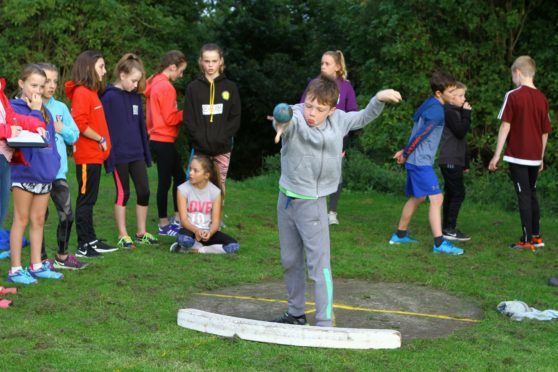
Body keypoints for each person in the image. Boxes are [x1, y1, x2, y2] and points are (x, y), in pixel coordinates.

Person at [271, 75, 401, 326]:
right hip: (286, 199)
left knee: (319, 266)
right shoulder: (296, 115)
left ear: (331, 109)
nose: (312, 113)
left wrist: (378, 99)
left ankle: (323, 321)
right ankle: (296, 314)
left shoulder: (339, 121)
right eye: (309, 105)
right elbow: (286, 118)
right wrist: (280, 123)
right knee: (290, 261)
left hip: (313, 203)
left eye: (320, 109)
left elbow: (363, 117)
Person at [390, 71, 464, 255]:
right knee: (437, 198)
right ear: (439, 93)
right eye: (451, 92)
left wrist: (405, 150)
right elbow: (421, 135)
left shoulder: (431, 104)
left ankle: (399, 235)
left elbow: (416, 130)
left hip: (418, 159)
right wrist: (406, 153)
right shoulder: (437, 112)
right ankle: (439, 244)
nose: (454, 95)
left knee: (418, 197)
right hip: (420, 162)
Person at [488, 56, 551, 251]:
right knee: (531, 193)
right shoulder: (542, 98)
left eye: (512, 75)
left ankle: (526, 240)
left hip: (517, 155)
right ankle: (537, 237)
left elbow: (505, 126)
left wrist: (496, 155)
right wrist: (541, 156)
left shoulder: (513, 95)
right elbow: (545, 131)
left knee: (524, 195)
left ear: (517, 72)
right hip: (534, 157)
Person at [8, 64, 62, 284]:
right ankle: (15, 269)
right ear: (21, 83)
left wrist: (54, 163)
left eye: (41, 86)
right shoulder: (12, 108)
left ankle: (37, 265)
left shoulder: (45, 111)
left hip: (44, 174)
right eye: (33, 85)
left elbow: (49, 141)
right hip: (24, 174)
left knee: (38, 219)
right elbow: (26, 132)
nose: (37, 91)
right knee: (20, 219)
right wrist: (34, 110)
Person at [101, 53, 157, 249]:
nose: (136, 84)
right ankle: (122, 234)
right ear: (123, 75)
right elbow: (104, 129)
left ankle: (141, 232)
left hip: (137, 154)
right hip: (119, 156)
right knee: (123, 193)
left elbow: (141, 127)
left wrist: (145, 153)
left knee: (144, 191)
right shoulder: (108, 97)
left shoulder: (135, 97)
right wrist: (109, 155)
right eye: (133, 80)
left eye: (138, 81)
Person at [65, 50, 118, 258]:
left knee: (91, 199)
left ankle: (92, 239)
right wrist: (101, 139)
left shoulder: (91, 92)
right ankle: (83, 245)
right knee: (85, 200)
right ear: (89, 68)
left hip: (95, 156)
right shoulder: (81, 92)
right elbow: (80, 124)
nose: (104, 72)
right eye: (101, 67)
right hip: (87, 156)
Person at [38, 63, 87, 269]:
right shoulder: (28, 106)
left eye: (54, 81)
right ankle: (39, 260)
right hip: (37, 173)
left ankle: (62, 257)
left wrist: (61, 129)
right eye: (47, 81)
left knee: (67, 215)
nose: (51, 85)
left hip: (58, 172)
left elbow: (74, 135)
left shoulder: (61, 108)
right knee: (39, 218)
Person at [300, 50, 358, 225]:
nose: (323, 67)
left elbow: (353, 114)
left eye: (327, 64)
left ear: (338, 67)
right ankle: (308, 206)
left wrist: (343, 140)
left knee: (334, 173)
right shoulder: (314, 83)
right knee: (311, 169)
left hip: (337, 138)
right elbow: (302, 106)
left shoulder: (346, 87)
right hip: (313, 135)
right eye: (322, 63)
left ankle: (331, 211)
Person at [183, 43, 241, 191]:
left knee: (219, 187)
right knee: (196, 185)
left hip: (223, 148)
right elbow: (188, 119)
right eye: (207, 61)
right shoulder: (192, 88)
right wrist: (198, 138)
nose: (210, 65)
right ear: (201, 61)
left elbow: (235, 118)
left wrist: (223, 137)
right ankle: (196, 214)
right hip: (200, 149)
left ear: (221, 61)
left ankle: (216, 215)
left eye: (214, 61)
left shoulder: (230, 87)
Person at [0, 77, 44, 259]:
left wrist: (36, 124)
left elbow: (12, 118)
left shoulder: (1, 93)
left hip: (5, 159)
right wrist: (8, 132)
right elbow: (9, 125)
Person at [145, 50, 187, 237]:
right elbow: (170, 118)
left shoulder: (153, 82)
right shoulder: (166, 87)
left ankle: (177, 219)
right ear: (172, 67)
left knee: (179, 178)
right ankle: (164, 224)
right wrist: (187, 113)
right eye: (181, 71)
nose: (181, 75)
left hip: (157, 138)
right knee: (167, 182)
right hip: (163, 138)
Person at [170, 155, 239, 254]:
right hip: (189, 231)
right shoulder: (182, 189)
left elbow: (216, 222)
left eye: (195, 171)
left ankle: (199, 250)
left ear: (206, 175)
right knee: (184, 239)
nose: (190, 173)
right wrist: (196, 231)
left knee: (234, 246)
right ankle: (190, 245)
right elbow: (184, 220)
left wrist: (209, 233)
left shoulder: (215, 192)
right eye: (190, 169)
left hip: (207, 232)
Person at [438, 82, 472, 241]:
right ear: (450, 98)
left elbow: (462, 140)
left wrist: (465, 163)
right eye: (459, 96)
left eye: (463, 95)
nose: (463, 99)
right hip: (449, 159)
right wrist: (467, 115)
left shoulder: (455, 112)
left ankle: (446, 226)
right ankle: (449, 228)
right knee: (458, 193)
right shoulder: (450, 111)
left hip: (455, 160)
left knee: (452, 193)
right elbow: (460, 132)